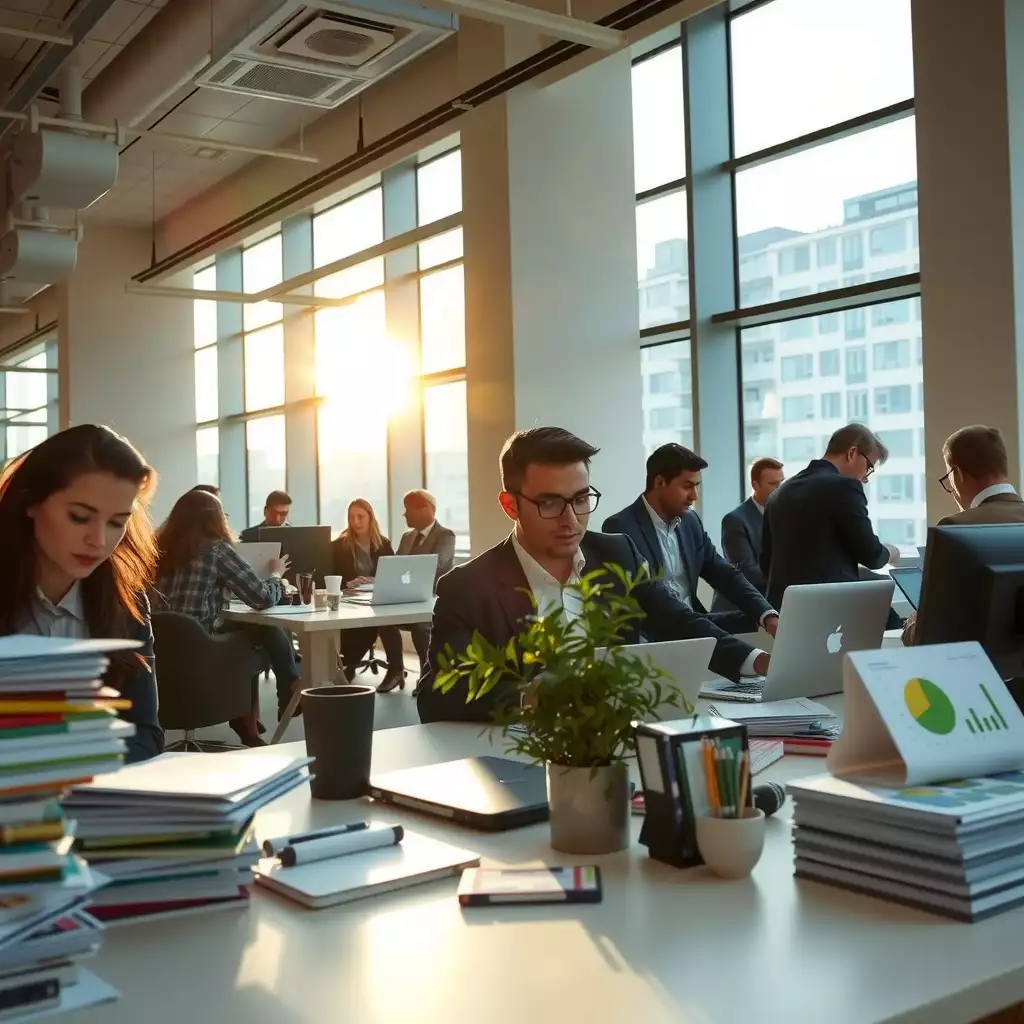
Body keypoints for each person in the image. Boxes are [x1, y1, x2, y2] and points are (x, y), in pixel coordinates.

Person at [418, 427, 770, 724]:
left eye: (581, 498)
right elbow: (438, 695)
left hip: (624, 738)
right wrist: (532, 696)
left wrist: (757, 661)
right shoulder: (467, 587)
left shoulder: (617, 553)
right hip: (522, 755)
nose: (571, 519)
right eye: (550, 503)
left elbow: (678, 620)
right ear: (511, 505)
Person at [0, 424, 163, 763]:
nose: (99, 540)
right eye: (79, 517)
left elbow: (144, 735)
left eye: (117, 522)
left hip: (88, 803)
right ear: (31, 502)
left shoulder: (126, 604)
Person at [154, 489, 298, 745]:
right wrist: (276, 575)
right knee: (259, 631)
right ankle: (283, 692)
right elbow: (262, 598)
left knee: (251, 628)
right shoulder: (216, 550)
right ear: (216, 520)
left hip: (159, 660)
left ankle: (255, 717)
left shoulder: (156, 551)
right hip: (203, 656)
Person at [602, 444, 778, 636]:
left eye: (696, 486)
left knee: (766, 623)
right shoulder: (621, 527)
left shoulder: (690, 522)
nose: (694, 496)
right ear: (659, 482)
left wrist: (767, 614)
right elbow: (647, 600)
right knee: (740, 650)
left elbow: (724, 574)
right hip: (651, 635)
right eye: (687, 486)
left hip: (694, 625)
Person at [761, 423, 901, 616]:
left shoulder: (779, 493)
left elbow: (766, 563)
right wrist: (890, 553)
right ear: (852, 453)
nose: (865, 478)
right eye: (869, 467)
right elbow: (872, 555)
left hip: (783, 612)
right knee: (896, 623)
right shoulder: (844, 487)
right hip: (830, 613)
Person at [903, 425, 1024, 645]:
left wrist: (912, 626)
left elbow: (933, 635)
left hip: (977, 673)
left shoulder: (956, 528)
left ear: (957, 474)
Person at [332, 499, 405, 693]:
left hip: (377, 596)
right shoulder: (340, 545)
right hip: (351, 598)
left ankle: (394, 668)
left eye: (360, 516)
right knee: (370, 623)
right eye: (351, 517)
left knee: (383, 620)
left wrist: (375, 580)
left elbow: (393, 572)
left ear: (370, 517)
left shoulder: (383, 543)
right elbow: (331, 576)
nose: (356, 521)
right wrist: (349, 583)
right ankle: (348, 665)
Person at [396, 489, 456, 694]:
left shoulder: (445, 536)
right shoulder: (406, 538)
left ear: (426, 509)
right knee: (380, 621)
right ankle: (395, 669)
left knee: (422, 624)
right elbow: (395, 567)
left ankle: (428, 675)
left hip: (432, 599)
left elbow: (437, 565)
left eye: (408, 510)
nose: (404, 515)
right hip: (406, 597)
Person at [717, 456, 785, 598]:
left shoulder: (788, 514)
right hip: (745, 607)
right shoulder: (735, 520)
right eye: (773, 484)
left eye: (782, 482)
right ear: (755, 485)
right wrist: (790, 575)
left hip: (779, 600)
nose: (780, 488)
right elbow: (747, 572)